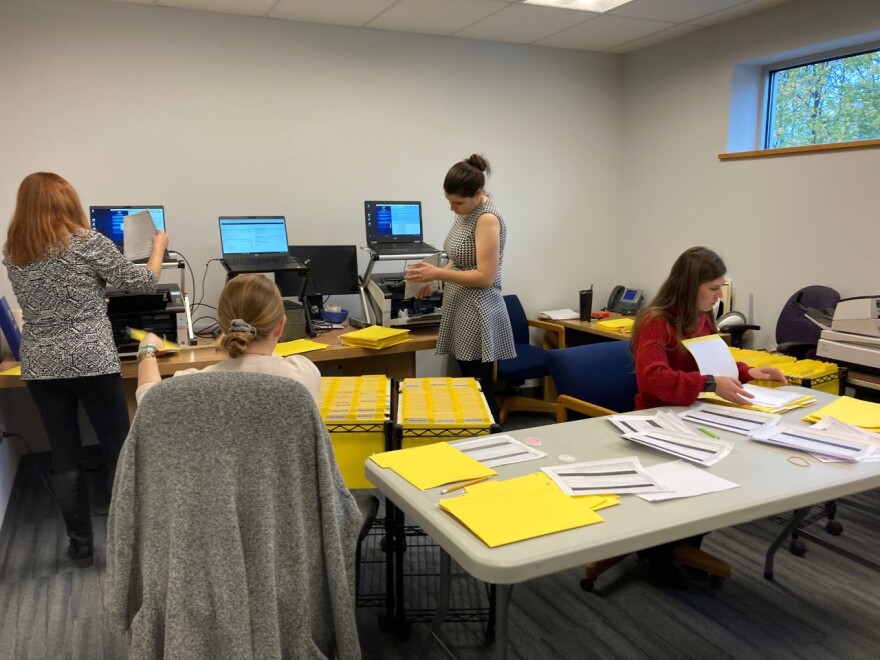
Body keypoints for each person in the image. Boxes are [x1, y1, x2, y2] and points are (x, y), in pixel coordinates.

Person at [3, 172, 169, 568]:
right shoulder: (86, 242)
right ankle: (131, 542)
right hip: (91, 359)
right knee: (117, 449)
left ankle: (79, 545)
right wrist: (158, 247)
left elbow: (52, 297)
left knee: (65, 455)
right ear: (67, 202)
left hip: (42, 364)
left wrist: (93, 299)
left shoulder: (15, 250)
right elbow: (143, 281)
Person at [631, 245, 787, 587]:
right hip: (659, 419)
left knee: (725, 473)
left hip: (695, 414)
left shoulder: (701, 317)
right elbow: (652, 378)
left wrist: (749, 372)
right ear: (690, 286)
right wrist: (712, 383)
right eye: (713, 288)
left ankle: (683, 545)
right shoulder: (657, 322)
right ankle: (659, 550)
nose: (719, 296)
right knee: (705, 473)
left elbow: (711, 365)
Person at [405, 154, 515, 423]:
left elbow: (485, 277)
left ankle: (493, 435)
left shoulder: (487, 219)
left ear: (477, 194)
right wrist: (433, 280)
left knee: (479, 386)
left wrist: (439, 273)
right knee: (469, 381)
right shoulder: (466, 212)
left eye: (457, 203)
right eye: (449, 202)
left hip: (478, 308)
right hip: (460, 303)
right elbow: (459, 256)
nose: (452, 209)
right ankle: (479, 432)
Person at [136, 273, 321, 405]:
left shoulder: (189, 384)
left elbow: (148, 404)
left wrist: (147, 351)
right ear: (280, 326)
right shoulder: (305, 374)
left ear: (223, 326)